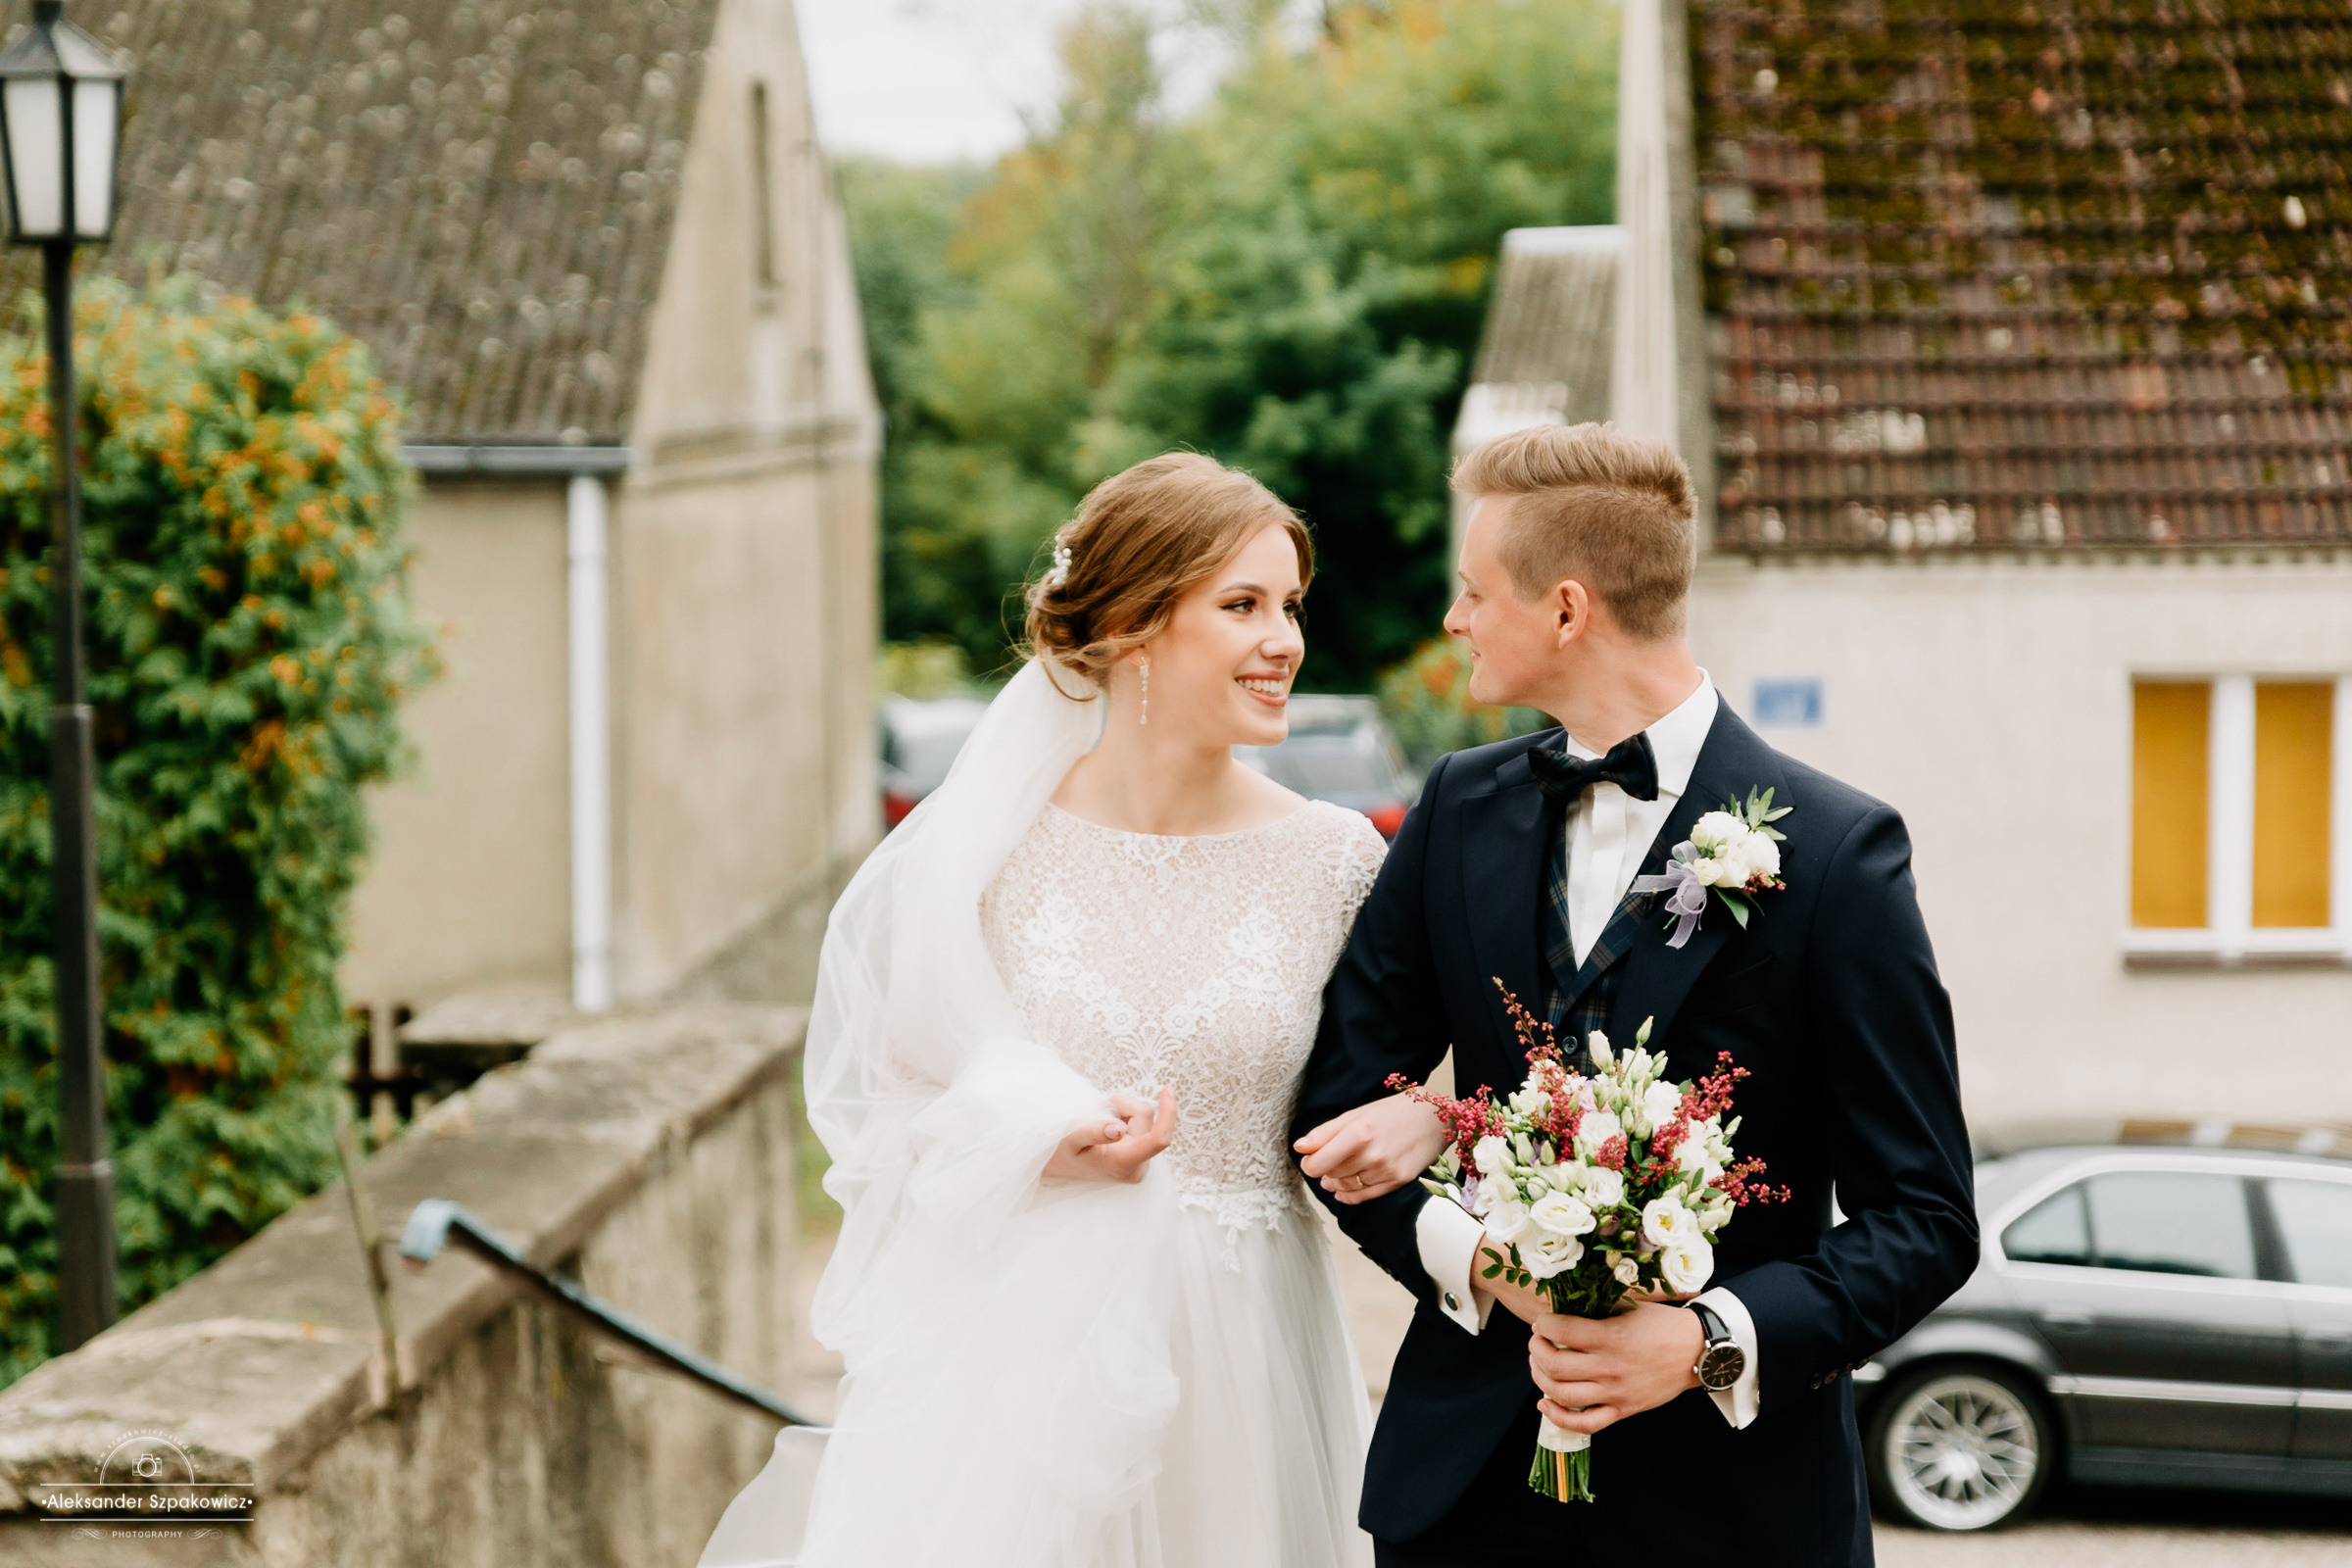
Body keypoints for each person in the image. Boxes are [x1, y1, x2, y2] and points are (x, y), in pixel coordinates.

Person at [1290, 423, 1979, 1567]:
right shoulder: (1456, 810)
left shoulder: (1836, 851)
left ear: (1568, 609)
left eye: (1472, 592)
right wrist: (1496, 1272)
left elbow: (1927, 1216)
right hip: (1462, 1492)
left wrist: (1707, 1341)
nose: (1454, 620)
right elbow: (1340, 1110)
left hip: (1730, 1510)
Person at [701, 452, 1386, 1568]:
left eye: (1291, 606)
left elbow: (1396, 1095)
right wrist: (1039, 1146)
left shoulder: (1334, 859)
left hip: (1250, 1355)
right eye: (1242, 605)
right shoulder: (986, 854)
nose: (1286, 642)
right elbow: (890, 1112)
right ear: (1127, 627)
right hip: (1023, 1376)